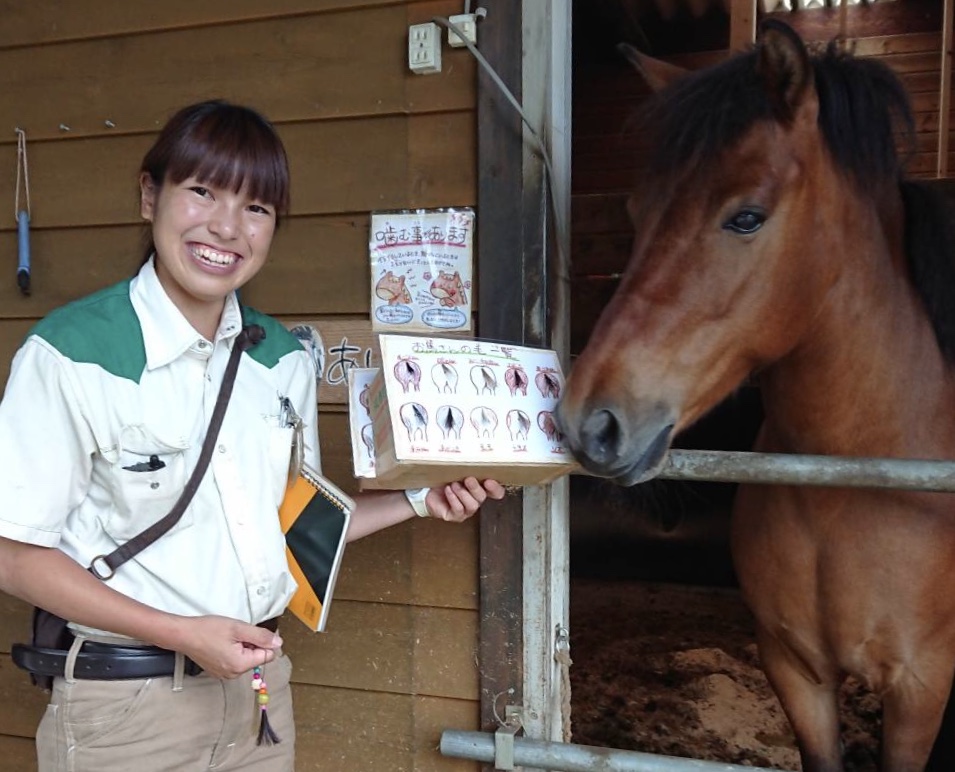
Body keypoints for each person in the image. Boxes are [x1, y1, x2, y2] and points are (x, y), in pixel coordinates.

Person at [0, 100, 505, 772]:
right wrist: (182, 634)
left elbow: (287, 526)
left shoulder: (282, 360)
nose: (227, 227)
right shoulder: (72, 353)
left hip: (259, 698)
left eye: (257, 207)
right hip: (125, 709)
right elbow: (14, 556)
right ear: (150, 196)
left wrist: (419, 499)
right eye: (202, 192)